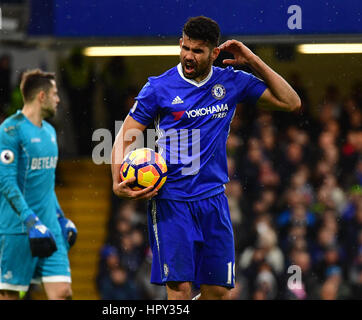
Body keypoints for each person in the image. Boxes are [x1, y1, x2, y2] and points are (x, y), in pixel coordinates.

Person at [111, 16, 301, 300]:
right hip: (171, 200)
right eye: (185, 47)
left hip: (213, 199)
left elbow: (291, 102)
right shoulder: (159, 87)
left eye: (198, 50)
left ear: (214, 53)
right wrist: (117, 181)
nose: (189, 55)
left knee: (219, 291)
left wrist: (251, 60)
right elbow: (125, 135)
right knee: (180, 289)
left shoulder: (232, 82)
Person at [0, 69, 77, 300]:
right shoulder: (10, 130)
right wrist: (31, 221)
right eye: (55, 93)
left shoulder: (50, 132)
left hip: (49, 229)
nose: (58, 99)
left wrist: (60, 217)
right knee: (9, 295)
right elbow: (7, 183)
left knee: (63, 292)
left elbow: (46, 185)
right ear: (42, 96)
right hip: (17, 230)